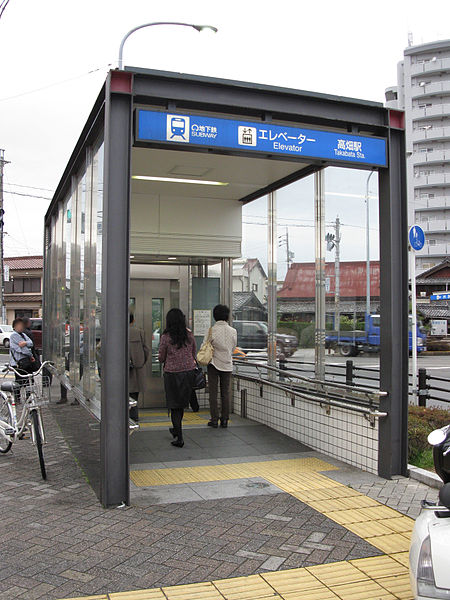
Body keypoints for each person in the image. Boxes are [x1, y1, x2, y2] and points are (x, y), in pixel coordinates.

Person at [158, 308, 197, 448]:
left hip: (172, 374)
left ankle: (179, 437)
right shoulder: (189, 334)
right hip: (188, 373)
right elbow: (194, 353)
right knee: (181, 405)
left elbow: (161, 357)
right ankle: (176, 429)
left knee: (174, 405)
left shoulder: (166, 337)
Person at [205, 304, 237, 429]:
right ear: (227, 316)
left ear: (215, 316)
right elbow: (233, 348)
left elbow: (205, 346)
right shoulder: (233, 331)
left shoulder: (211, 330)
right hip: (227, 364)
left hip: (213, 364)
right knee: (225, 392)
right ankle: (225, 419)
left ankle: (214, 419)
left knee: (213, 393)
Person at [9, 317, 37, 403]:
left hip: (26, 362)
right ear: (14, 327)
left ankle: (28, 397)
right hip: (18, 362)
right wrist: (30, 355)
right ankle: (17, 398)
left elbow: (31, 343)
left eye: (22, 325)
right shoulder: (14, 335)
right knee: (19, 381)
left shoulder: (23, 335)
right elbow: (22, 350)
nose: (21, 327)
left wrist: (25, 343)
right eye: (19, 325)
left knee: (29, 380)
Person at [129, 313, 149, 422]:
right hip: (137, 369)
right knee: (134, 393)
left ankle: (124, 414)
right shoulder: (140, 332)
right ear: (133, 320)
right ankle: (134, 415)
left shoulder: (118, 332)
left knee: (123, 392)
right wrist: (141, 362)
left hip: (122, 370)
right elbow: (146, 350)